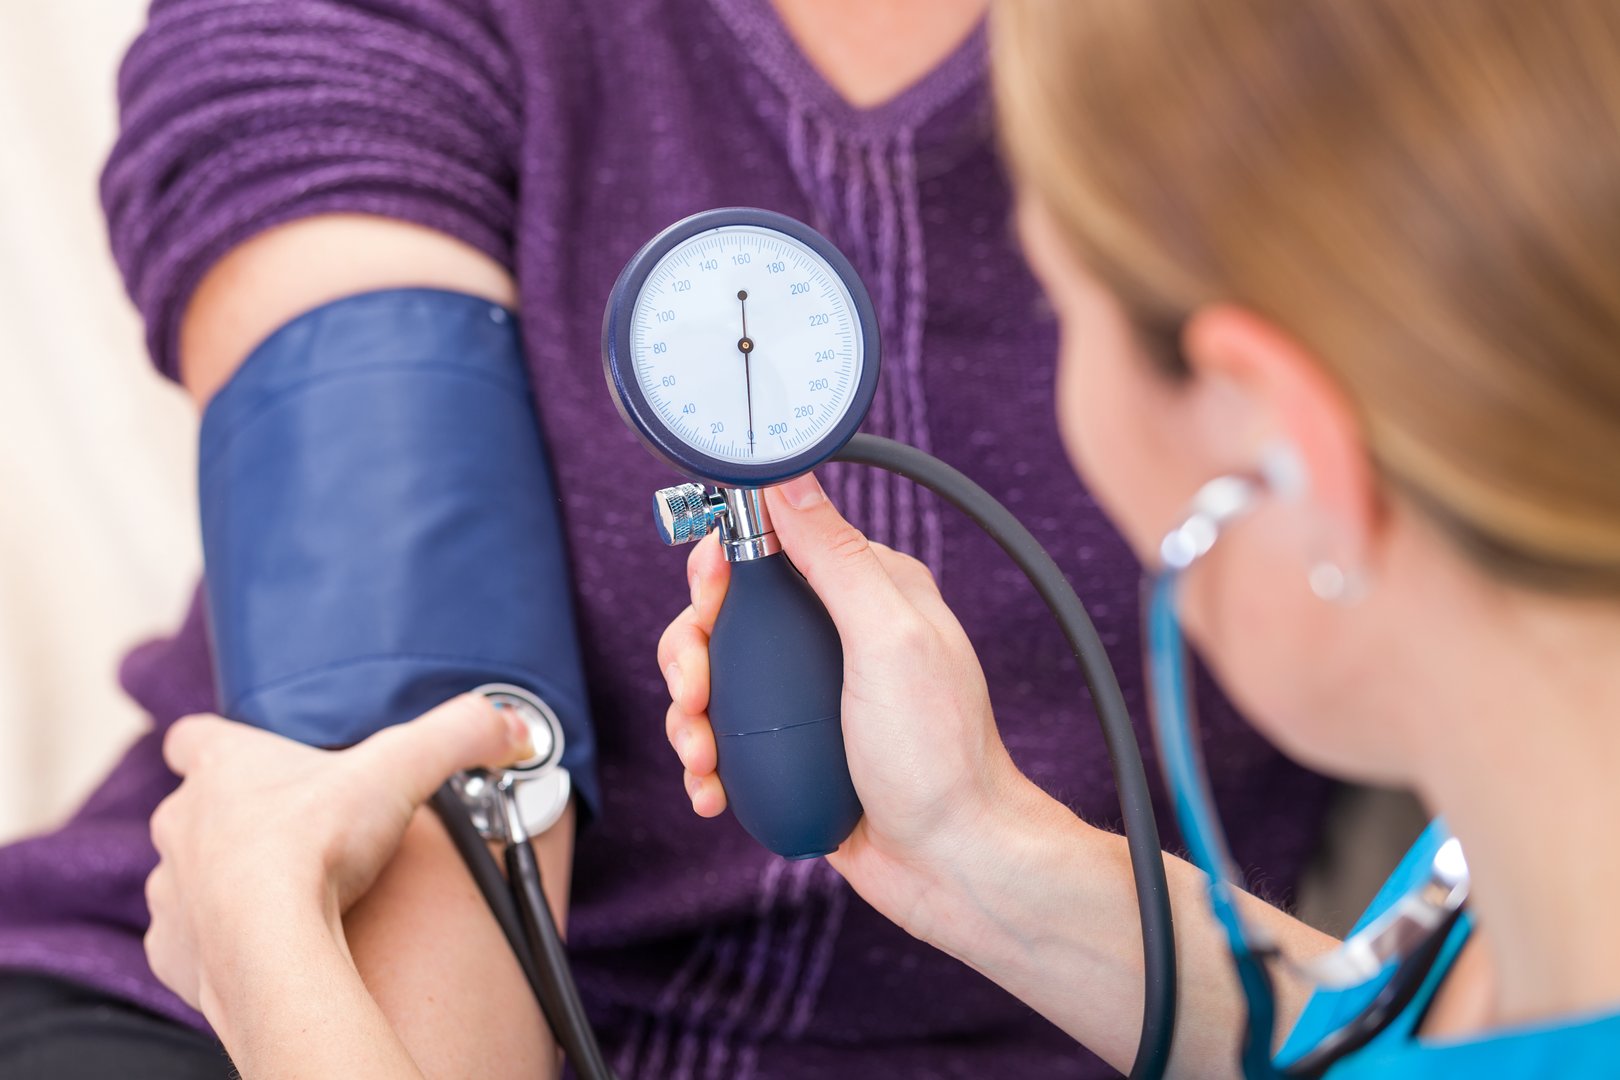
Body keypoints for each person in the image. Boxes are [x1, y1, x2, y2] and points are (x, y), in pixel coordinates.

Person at [0, 1, 1337, 1078]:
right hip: (268, 1008)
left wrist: (998, 860)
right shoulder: (362, 29)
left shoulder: (1355, 66)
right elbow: (411, 711)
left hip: (1096, 1019)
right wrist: (287, 983)